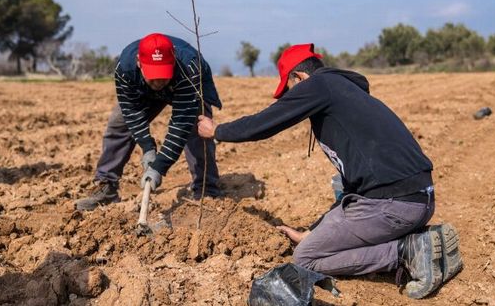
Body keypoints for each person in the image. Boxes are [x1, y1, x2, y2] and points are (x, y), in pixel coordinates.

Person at [197, 44, 462, 299]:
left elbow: (265, 122)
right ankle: (423, 240)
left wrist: (217, 131)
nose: (290, 98)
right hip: (419, 201)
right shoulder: (344, 93)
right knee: (316, 238)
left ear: (298, 77)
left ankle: (405, 252)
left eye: (288, 89)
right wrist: (312, 232)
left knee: (306, 259)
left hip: (392, 206)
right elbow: (353, 191)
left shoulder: (318, 85)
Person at [76, 33, 222, 211]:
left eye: (163, 74)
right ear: (139, 62)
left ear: (174, 60)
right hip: (144, 90)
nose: (159, 81)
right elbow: (131, 111)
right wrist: (147, 148)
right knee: (119, 122)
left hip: (186, 86)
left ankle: (206, 190)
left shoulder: (189, 67)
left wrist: (159, 166)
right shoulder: (125, 68)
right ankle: (106, 186)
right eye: (153, 75)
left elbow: (180, 124)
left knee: (198, 127)